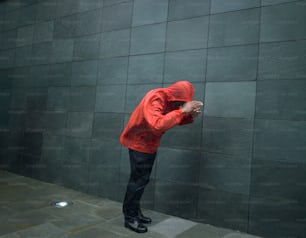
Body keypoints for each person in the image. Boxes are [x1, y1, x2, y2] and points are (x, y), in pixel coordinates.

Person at [120, 81, 203, 233]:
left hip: (149, 143)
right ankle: (130, 217)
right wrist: (182, 111)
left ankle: (135, 213)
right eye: (182, 102)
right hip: (139, 143)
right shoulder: (156, 97)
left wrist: (188, 114)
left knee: (141, 181)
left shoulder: (170, 101)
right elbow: (157, 124)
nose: (181, 105)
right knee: (137, 181)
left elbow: (170, 120)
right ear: (177, 96)